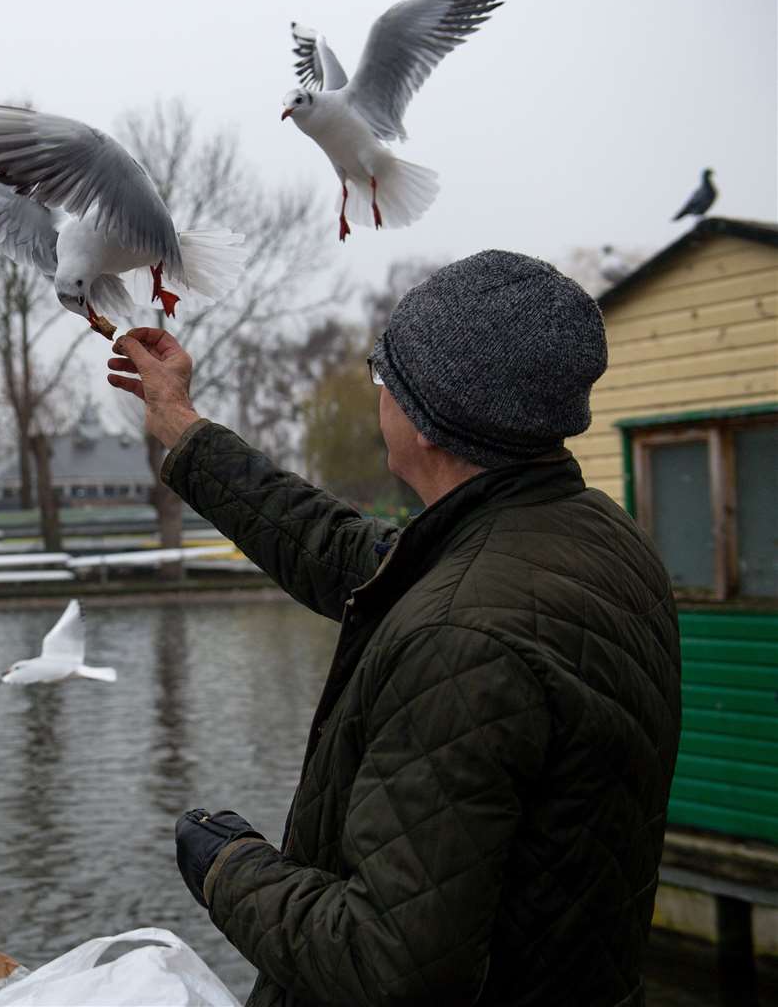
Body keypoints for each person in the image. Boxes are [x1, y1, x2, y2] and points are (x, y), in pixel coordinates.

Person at [108, 250, 682, 1006]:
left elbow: (389, 966)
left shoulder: (462, 640)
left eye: (385, 374)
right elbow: (352, 555)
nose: (376, 390)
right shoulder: (586, 537)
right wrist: (181, 425)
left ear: (429, 418)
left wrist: (230, 869)